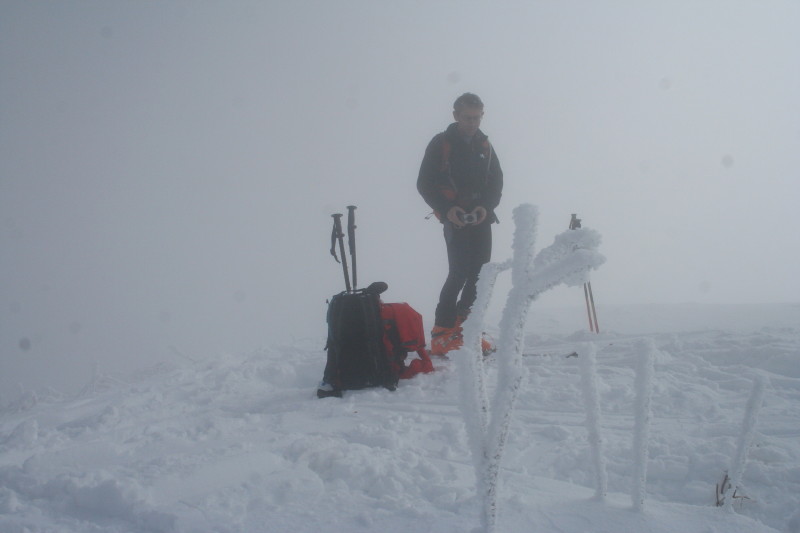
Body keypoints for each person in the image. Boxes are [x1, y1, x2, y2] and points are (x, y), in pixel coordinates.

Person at [417, 93, 503, 355]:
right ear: (455, 115)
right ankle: (442, 332)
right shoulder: (441, 143)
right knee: (459, 272)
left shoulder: (484, 144)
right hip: (455, 218)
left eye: (477, 118)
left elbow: (497, 182)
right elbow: (424, 183)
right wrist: (446, 210)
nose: (472, 123)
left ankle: (466, 327)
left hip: (480, 217)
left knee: (481, 274)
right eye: (467, 118)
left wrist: (485, 207)